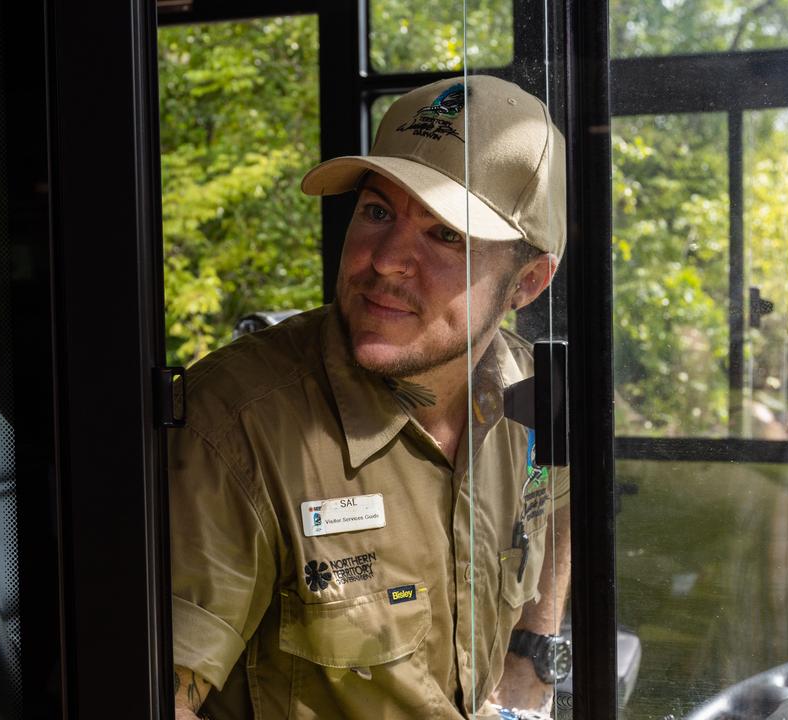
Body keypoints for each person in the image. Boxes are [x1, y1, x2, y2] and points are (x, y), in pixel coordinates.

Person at [168, 74, 572, 720]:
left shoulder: (534, 390)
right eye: (377, 211)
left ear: (527, 282)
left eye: (444, 235)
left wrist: (531, 662)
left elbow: (557, 503)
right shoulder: (236, 426)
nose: (385, 260)